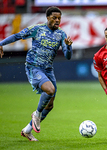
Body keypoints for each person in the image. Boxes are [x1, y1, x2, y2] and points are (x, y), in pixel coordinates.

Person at [0, 6, 73, 141]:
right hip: (34, 67)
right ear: (47, 18)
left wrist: (68, 46)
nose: (57, 20)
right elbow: (18, 36)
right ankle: (37, 114)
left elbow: (68, 56)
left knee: (50, 105)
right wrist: (1, 43)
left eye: (59, 18)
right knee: (50, 90)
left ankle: (27, 130)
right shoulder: (38, 29)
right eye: (54, 18)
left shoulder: (61, 34)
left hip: (48, 69)